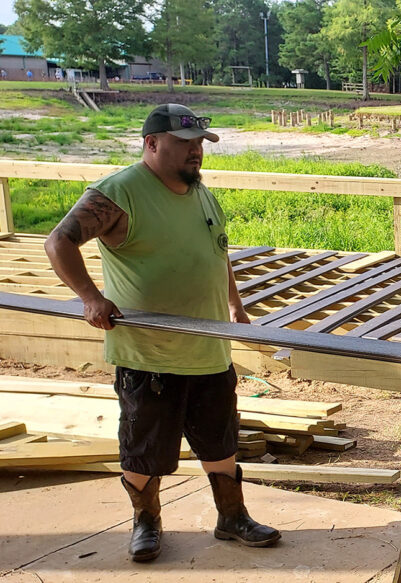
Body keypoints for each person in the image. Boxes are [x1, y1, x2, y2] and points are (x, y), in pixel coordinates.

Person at [44, 104, 280, 562]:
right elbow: (59, 241)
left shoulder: (200, 191)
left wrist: (236, 305)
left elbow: (217, 252)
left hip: (209, 348)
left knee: (221, 441)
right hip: (149, 354)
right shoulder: (120, 192)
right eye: (184, 144)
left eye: (199, 144)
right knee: (143, 450)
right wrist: (92, 298)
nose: (195, 153)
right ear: (151, 144)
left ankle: (232, 517)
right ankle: (146, 522)